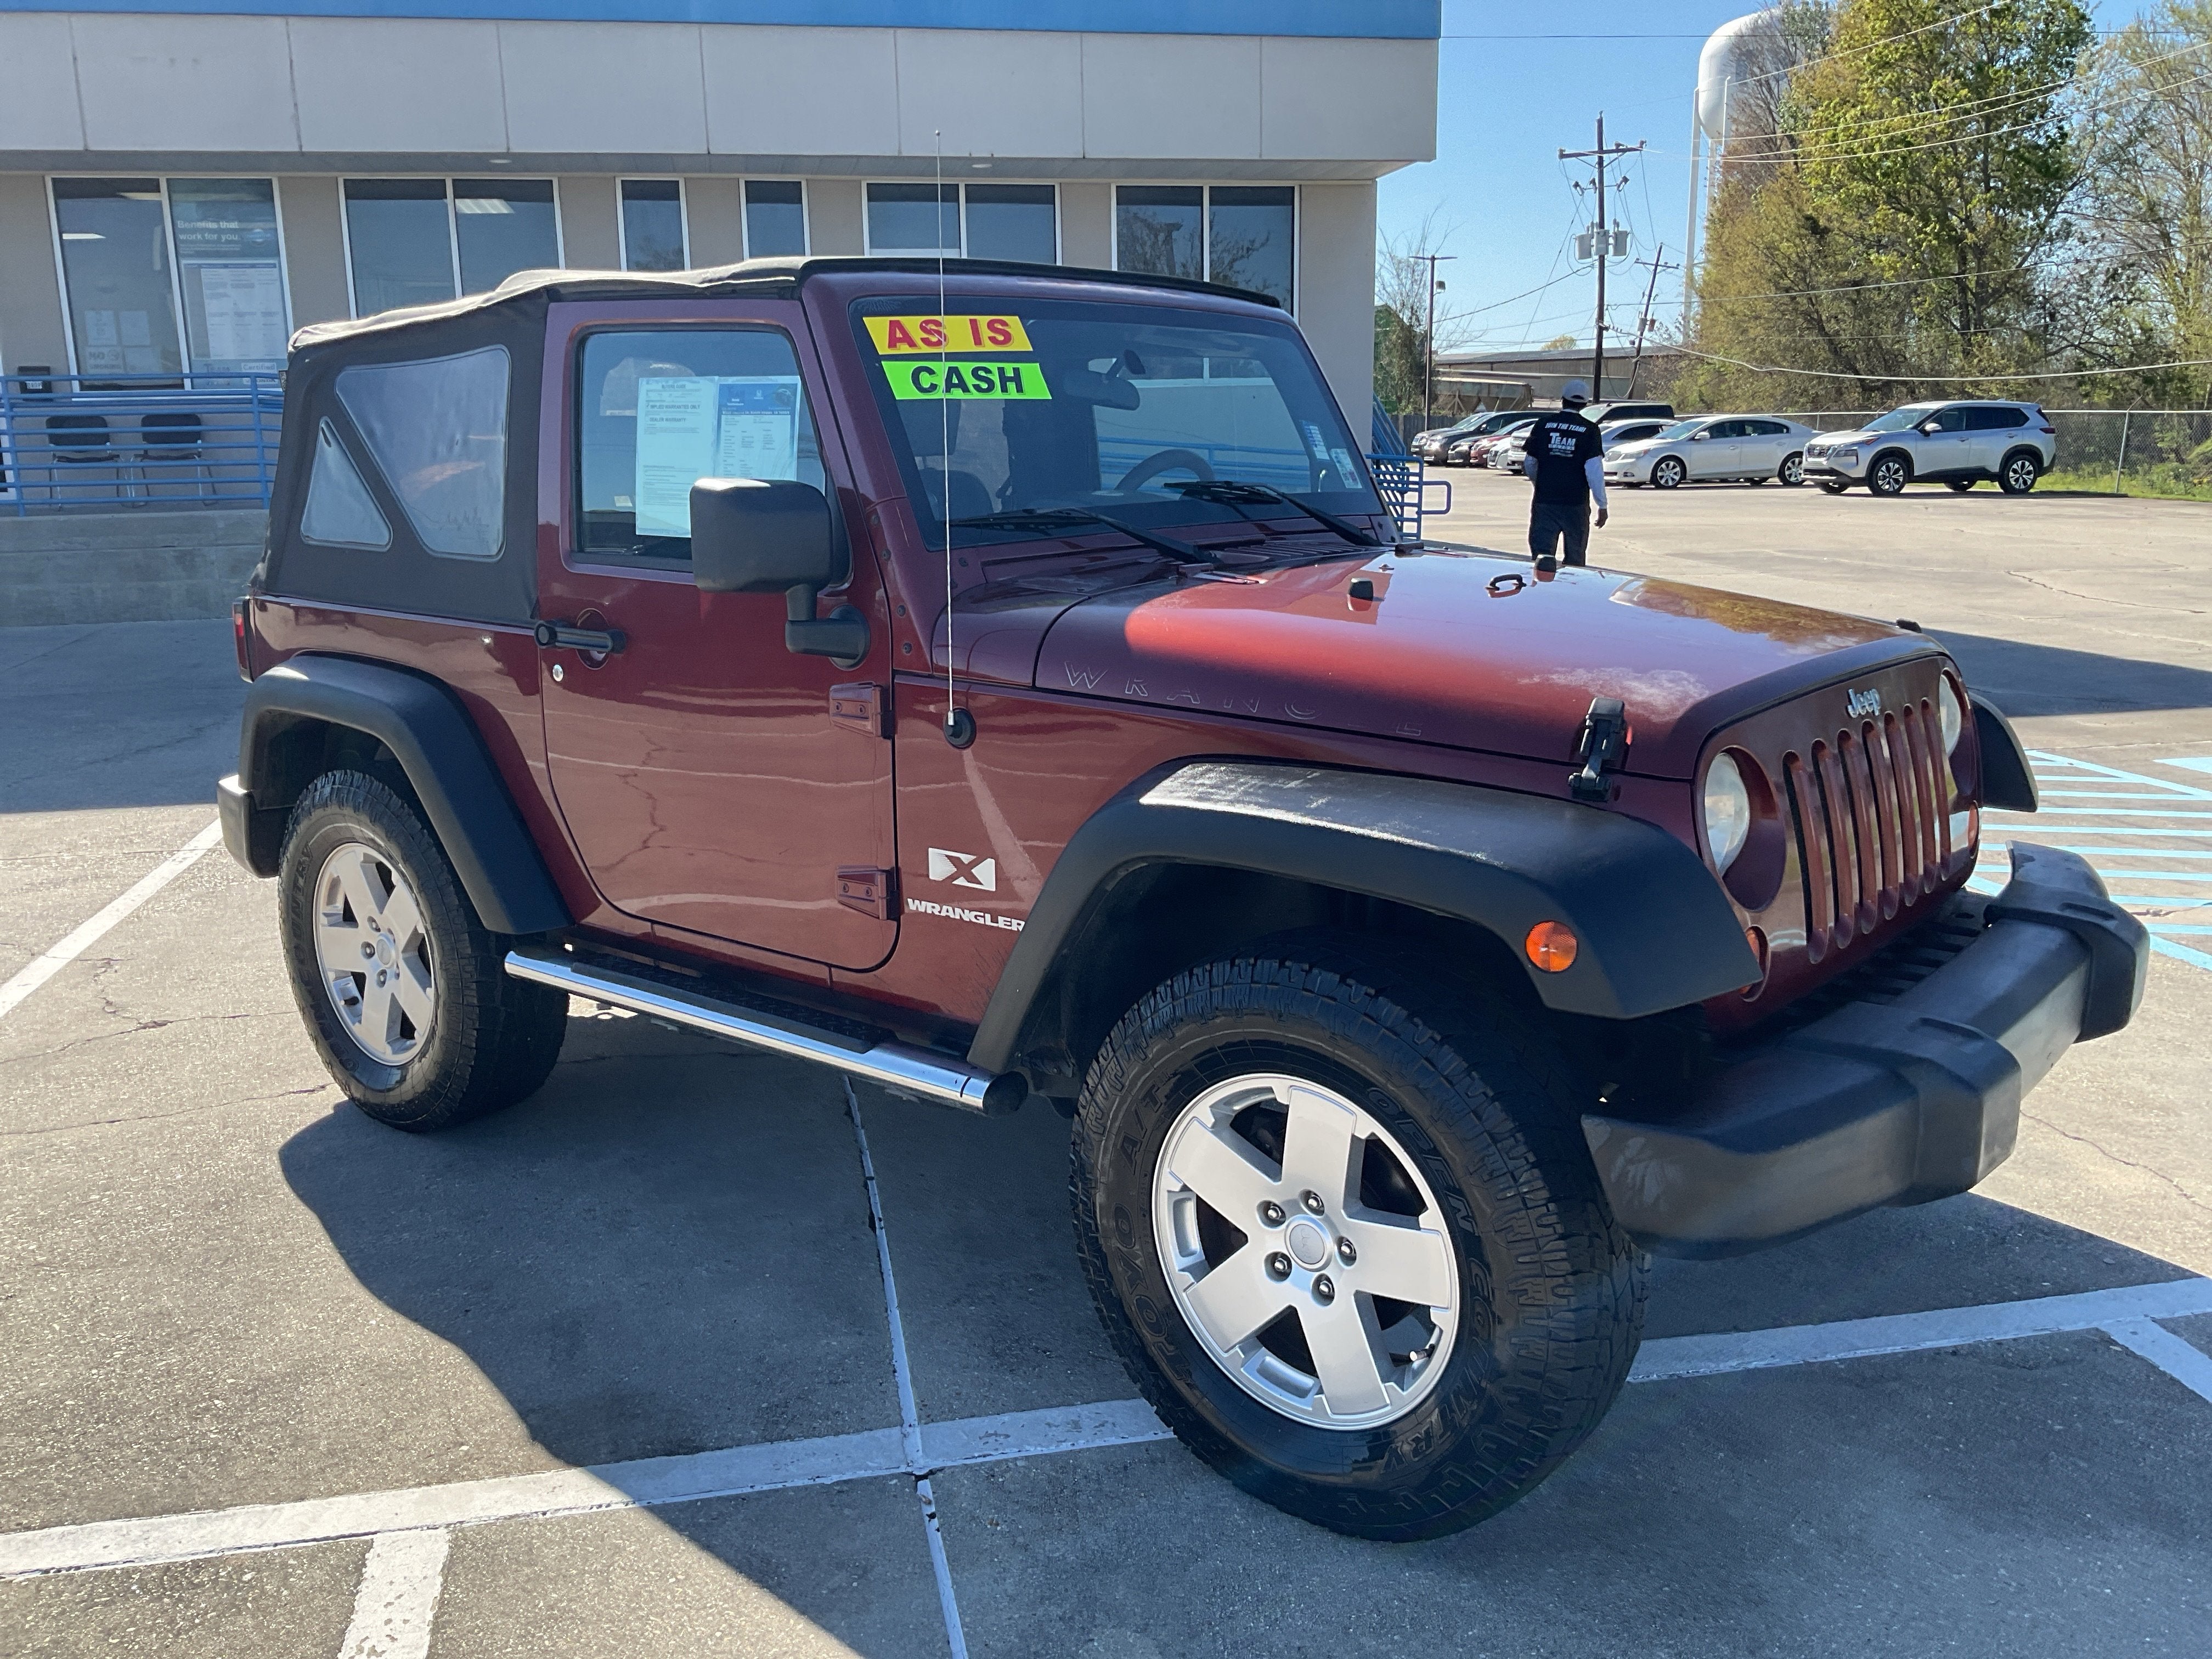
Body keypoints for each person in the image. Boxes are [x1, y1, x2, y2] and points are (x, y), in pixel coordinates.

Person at [1522, 379, 1609, 567]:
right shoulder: (1590, 430)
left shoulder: (1544, 424)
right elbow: (1594, 472)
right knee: (1575, 561)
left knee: (1541, 561)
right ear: (1585, 404)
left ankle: (1542, 593)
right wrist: (1602, 505)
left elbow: (1529, 463)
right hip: (1576, 505)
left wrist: (1541, 483)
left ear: (1563, 401)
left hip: (1545, 502)